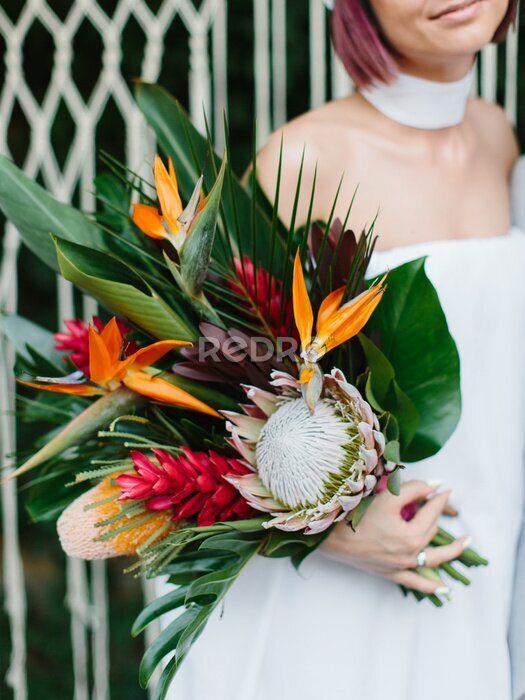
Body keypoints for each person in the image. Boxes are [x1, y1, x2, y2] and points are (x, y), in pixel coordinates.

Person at [167, 1, 524, 698]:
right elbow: (207, 376)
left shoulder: (495, 136)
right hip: (340, 582)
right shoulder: (307, 157)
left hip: (477, 555)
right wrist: (335, 533)